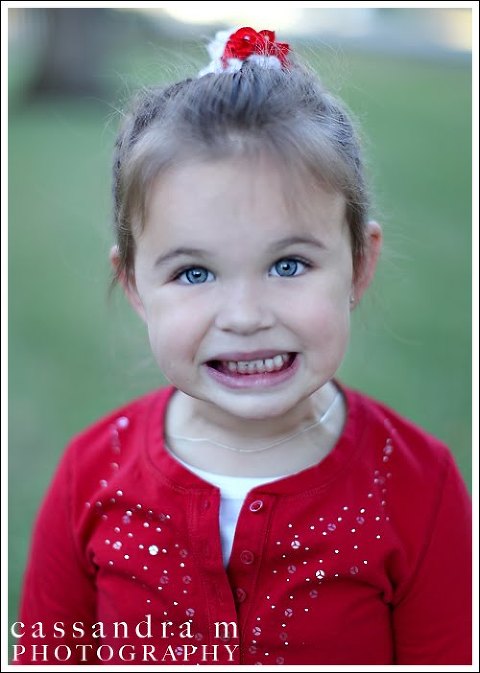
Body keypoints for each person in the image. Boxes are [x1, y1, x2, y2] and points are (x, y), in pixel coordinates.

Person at [14, 27, 471, 666]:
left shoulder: (418, 488)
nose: (246, 317)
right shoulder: (89, 478)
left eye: (288, 264)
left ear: (359, 266)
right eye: (194, 273)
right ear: (136, 285)